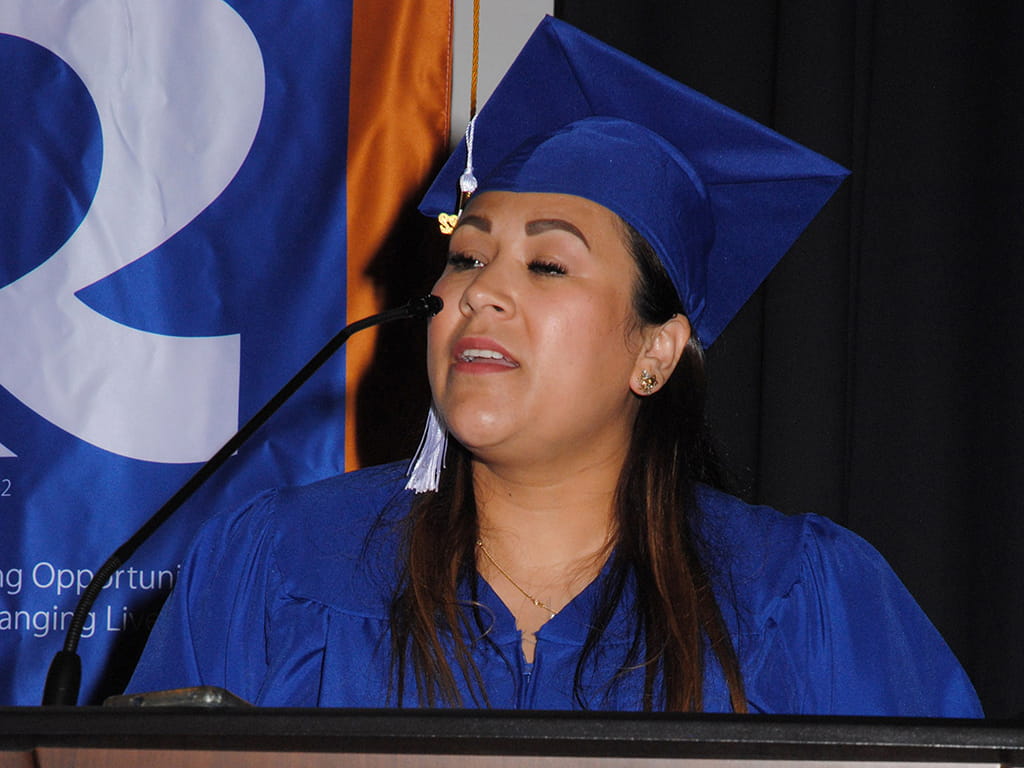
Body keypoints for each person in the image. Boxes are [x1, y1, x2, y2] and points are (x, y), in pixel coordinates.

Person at [127, 17, 982, 715]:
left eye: (547, 266)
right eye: (465, 258)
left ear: (655, 352)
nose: (480, 294)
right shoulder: (276, 565)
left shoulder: (799, 599)